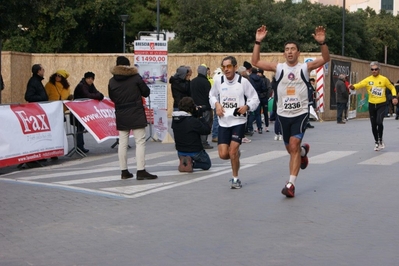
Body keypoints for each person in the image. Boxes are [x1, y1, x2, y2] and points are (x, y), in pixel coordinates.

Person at [251, 25, 330, 198]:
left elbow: (325, 58)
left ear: (299, 53)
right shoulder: (279, 68)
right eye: (287, 49)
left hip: (300, 114)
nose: (290, 52)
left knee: (293, 145)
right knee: (291, 149)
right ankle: (303, 153)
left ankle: (290, 184)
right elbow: (255, 62)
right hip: (283, 115)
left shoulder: (304, 68)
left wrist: (322, 43)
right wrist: (258, 41)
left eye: (293, 49)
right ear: (284, 53)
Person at [209, 55, 260, 189]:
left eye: (229, 66)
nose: (226, 69)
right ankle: (236, 155)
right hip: (223, 122)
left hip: (238, 121)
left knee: (232, 151)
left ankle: (235, 179)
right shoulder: (219, 81)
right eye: (224, 67)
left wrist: (247, 107)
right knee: (223, 154)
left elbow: (255, 98)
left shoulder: (243, 82)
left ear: (235, 67)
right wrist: (216, 105)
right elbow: (211, 95)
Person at [108, 56, 157, 180]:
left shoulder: (112, 81)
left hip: (121, 113)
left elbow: (112, 97)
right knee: (140, 141)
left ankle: (124, 171)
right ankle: (141, 170)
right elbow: (145, 92)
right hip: (136, 112)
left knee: (122, 143)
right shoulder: (135, 77)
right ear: (128, 65)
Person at [348, 61, 398, 151]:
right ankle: (376, 142)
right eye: (372, 69)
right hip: (372, 104)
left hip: (382, 104)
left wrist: (394, 97)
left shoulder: (384, 79)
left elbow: (392, 87)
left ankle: (381, 139)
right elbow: (359, 84)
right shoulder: (368, 80)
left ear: (379, 69)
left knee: (379, 122)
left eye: (375, 69)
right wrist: (353, 87)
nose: (374, 71)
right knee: (373, 125)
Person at [172, 97, 212, 172]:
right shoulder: (193, 121)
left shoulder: (175, 120)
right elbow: (206, 130)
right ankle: (191, 163)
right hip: (194, 151)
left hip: (180, 151)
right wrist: (200, 116)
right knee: (207, 164)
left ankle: (184, 161)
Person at [73, 71, 104, 153]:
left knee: (81, 129)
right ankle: (79, 146)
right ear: (85, 78)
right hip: (78, 110)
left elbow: (96, 92)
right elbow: (88, 95)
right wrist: (99, 96)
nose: (90, 80)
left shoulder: (90, 85)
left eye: (92, 79)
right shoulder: (82, 86)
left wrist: (99, 95)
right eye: (89, 78)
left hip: (84, 111)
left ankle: (80, 146)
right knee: (79, 129)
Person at [190, 65, 213, 149]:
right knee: (205, 124)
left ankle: (197, 141)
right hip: (205, 107)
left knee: (196, 124)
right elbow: (209, 95)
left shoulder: (192, 81)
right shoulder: (206, 82)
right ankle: (204, 142)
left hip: (195, 107)